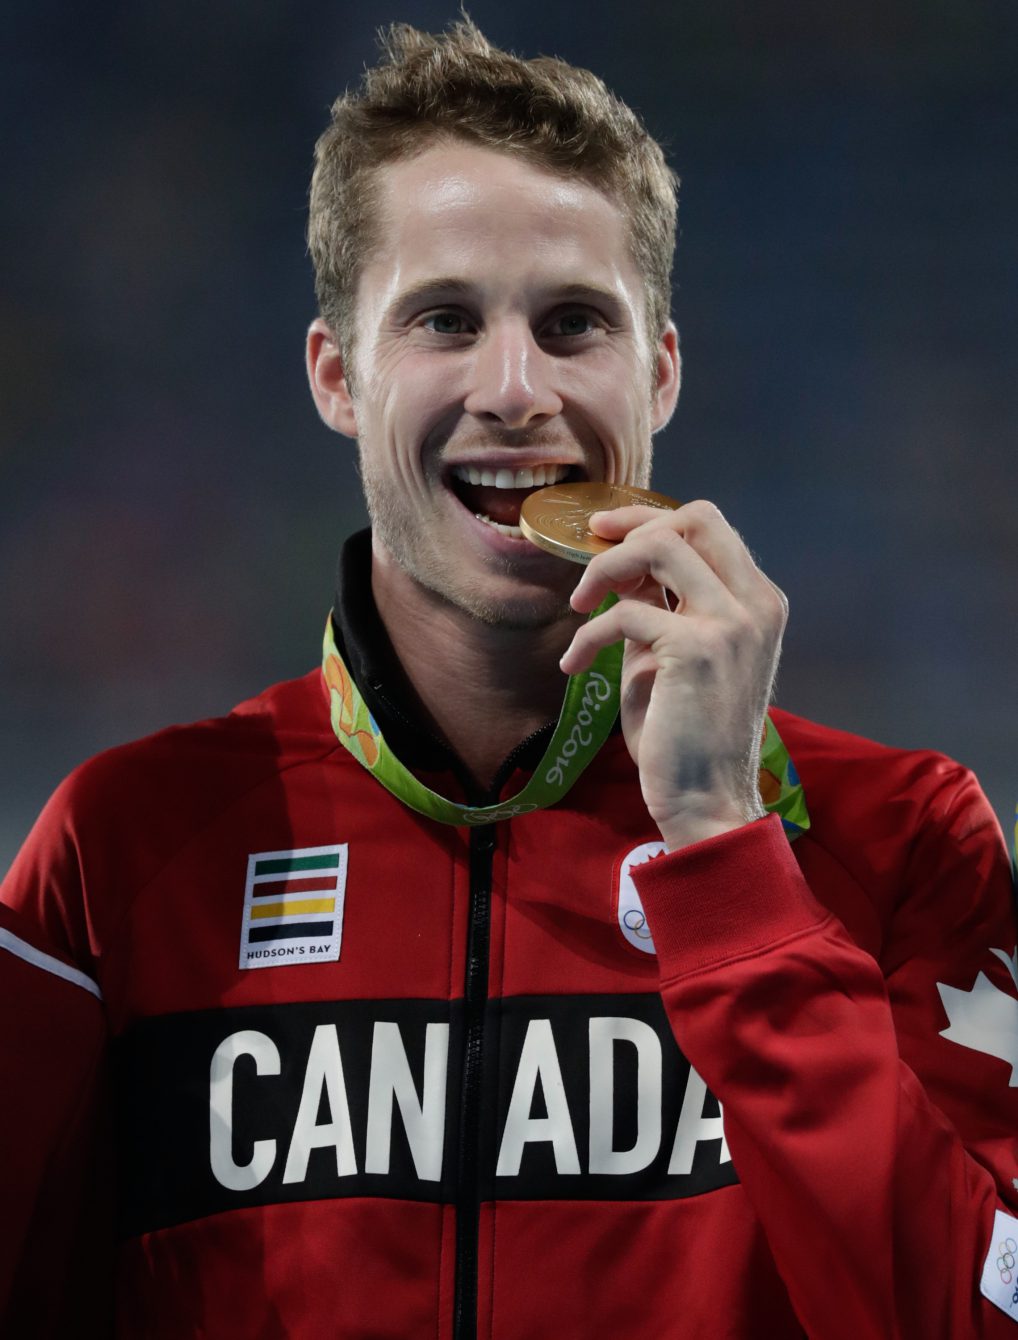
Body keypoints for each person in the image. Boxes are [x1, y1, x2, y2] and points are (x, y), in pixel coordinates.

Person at [2, 18, 1017, 1339]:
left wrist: (725, 852)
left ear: (659, 371)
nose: (515, 388)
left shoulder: (903, 837)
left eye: (573, 323)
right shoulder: (119, 852)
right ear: (337, 376)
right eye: (444, 319)